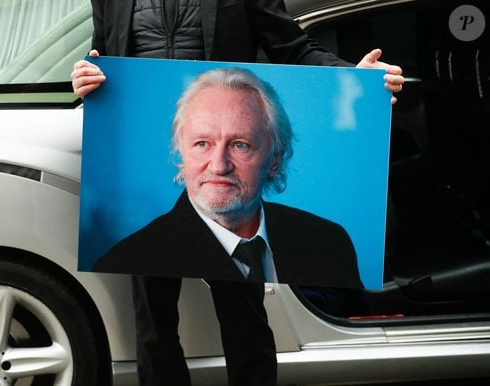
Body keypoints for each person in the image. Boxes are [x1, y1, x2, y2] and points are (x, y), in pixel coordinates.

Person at [72, 2, 404, 386]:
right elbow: (99, 61)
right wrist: (83, 78)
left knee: (245, 320)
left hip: (230, 188)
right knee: (152, 328)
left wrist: (355, 77)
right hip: (139, 176)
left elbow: (292, 46)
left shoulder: (328, 237)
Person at [95, 67, 364, 290]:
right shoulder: (128, 261)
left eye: (240, 145)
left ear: (274, 160)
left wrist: (367, 79)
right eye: (202, 144)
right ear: (181, 152)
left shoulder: (328, 243)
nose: (219, 166)